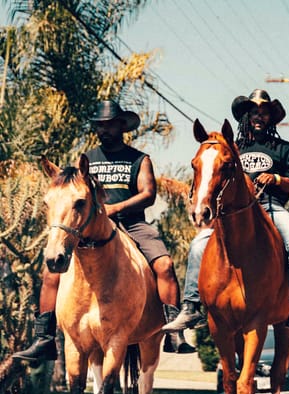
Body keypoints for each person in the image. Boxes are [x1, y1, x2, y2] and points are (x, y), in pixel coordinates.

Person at [13, 100, 195, 361]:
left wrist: (116, 208)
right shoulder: (85, 160)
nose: (104, 130)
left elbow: (148, 194)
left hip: (132, 223)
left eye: (110, 125)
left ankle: (174, 331)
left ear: (121, 126)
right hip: (89, 227)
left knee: (164, 264)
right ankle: (44, 337)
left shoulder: (139, 159)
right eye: (100, 126)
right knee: (51, 271)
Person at [163, 89, 289, 334]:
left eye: (264, 113)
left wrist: (276, 178)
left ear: (271, 118)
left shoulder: (282, 147)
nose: (259, 116)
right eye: (254, 112)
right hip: (234, 214)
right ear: (245, 116)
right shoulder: (233, 148)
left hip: (271, 207)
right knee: (197, 246)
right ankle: (191, 307)